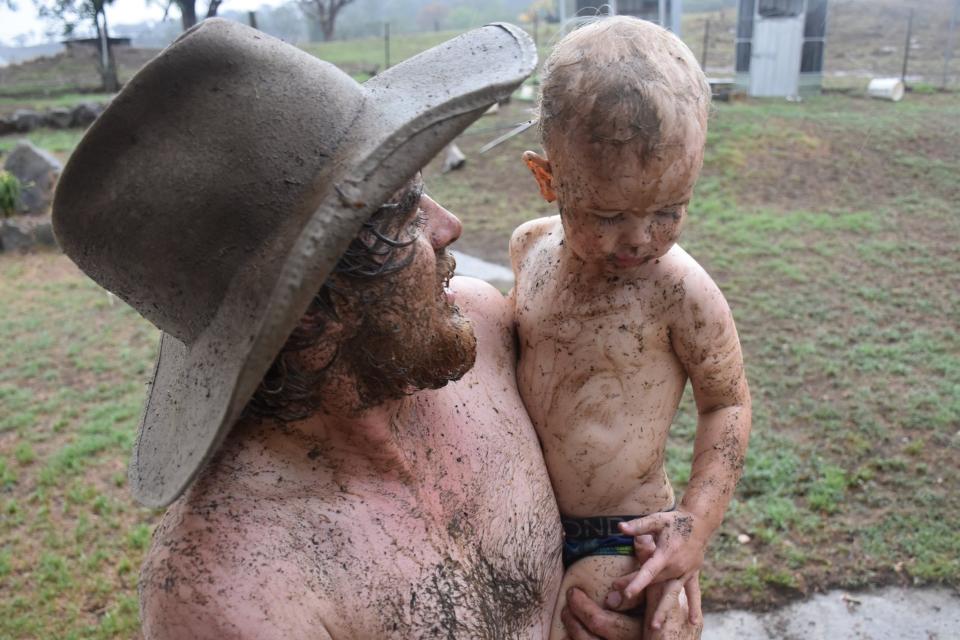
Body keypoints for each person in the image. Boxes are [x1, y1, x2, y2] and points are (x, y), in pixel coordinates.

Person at [53, 19, 652, 639]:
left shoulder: (490, 329)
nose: (450, 225)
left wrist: (653, 579)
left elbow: (612, 492)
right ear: (309, 313)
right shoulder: (231, 592)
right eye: (401, 213)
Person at [511, 16, 752, 639]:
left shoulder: (681, 290)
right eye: (610, 213)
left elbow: (726, 402)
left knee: (575, 626)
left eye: (670, 210)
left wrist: (692, 527)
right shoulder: (528, 250)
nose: (641, 239)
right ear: (548, 180)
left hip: (621, 534)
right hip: (520, 518)